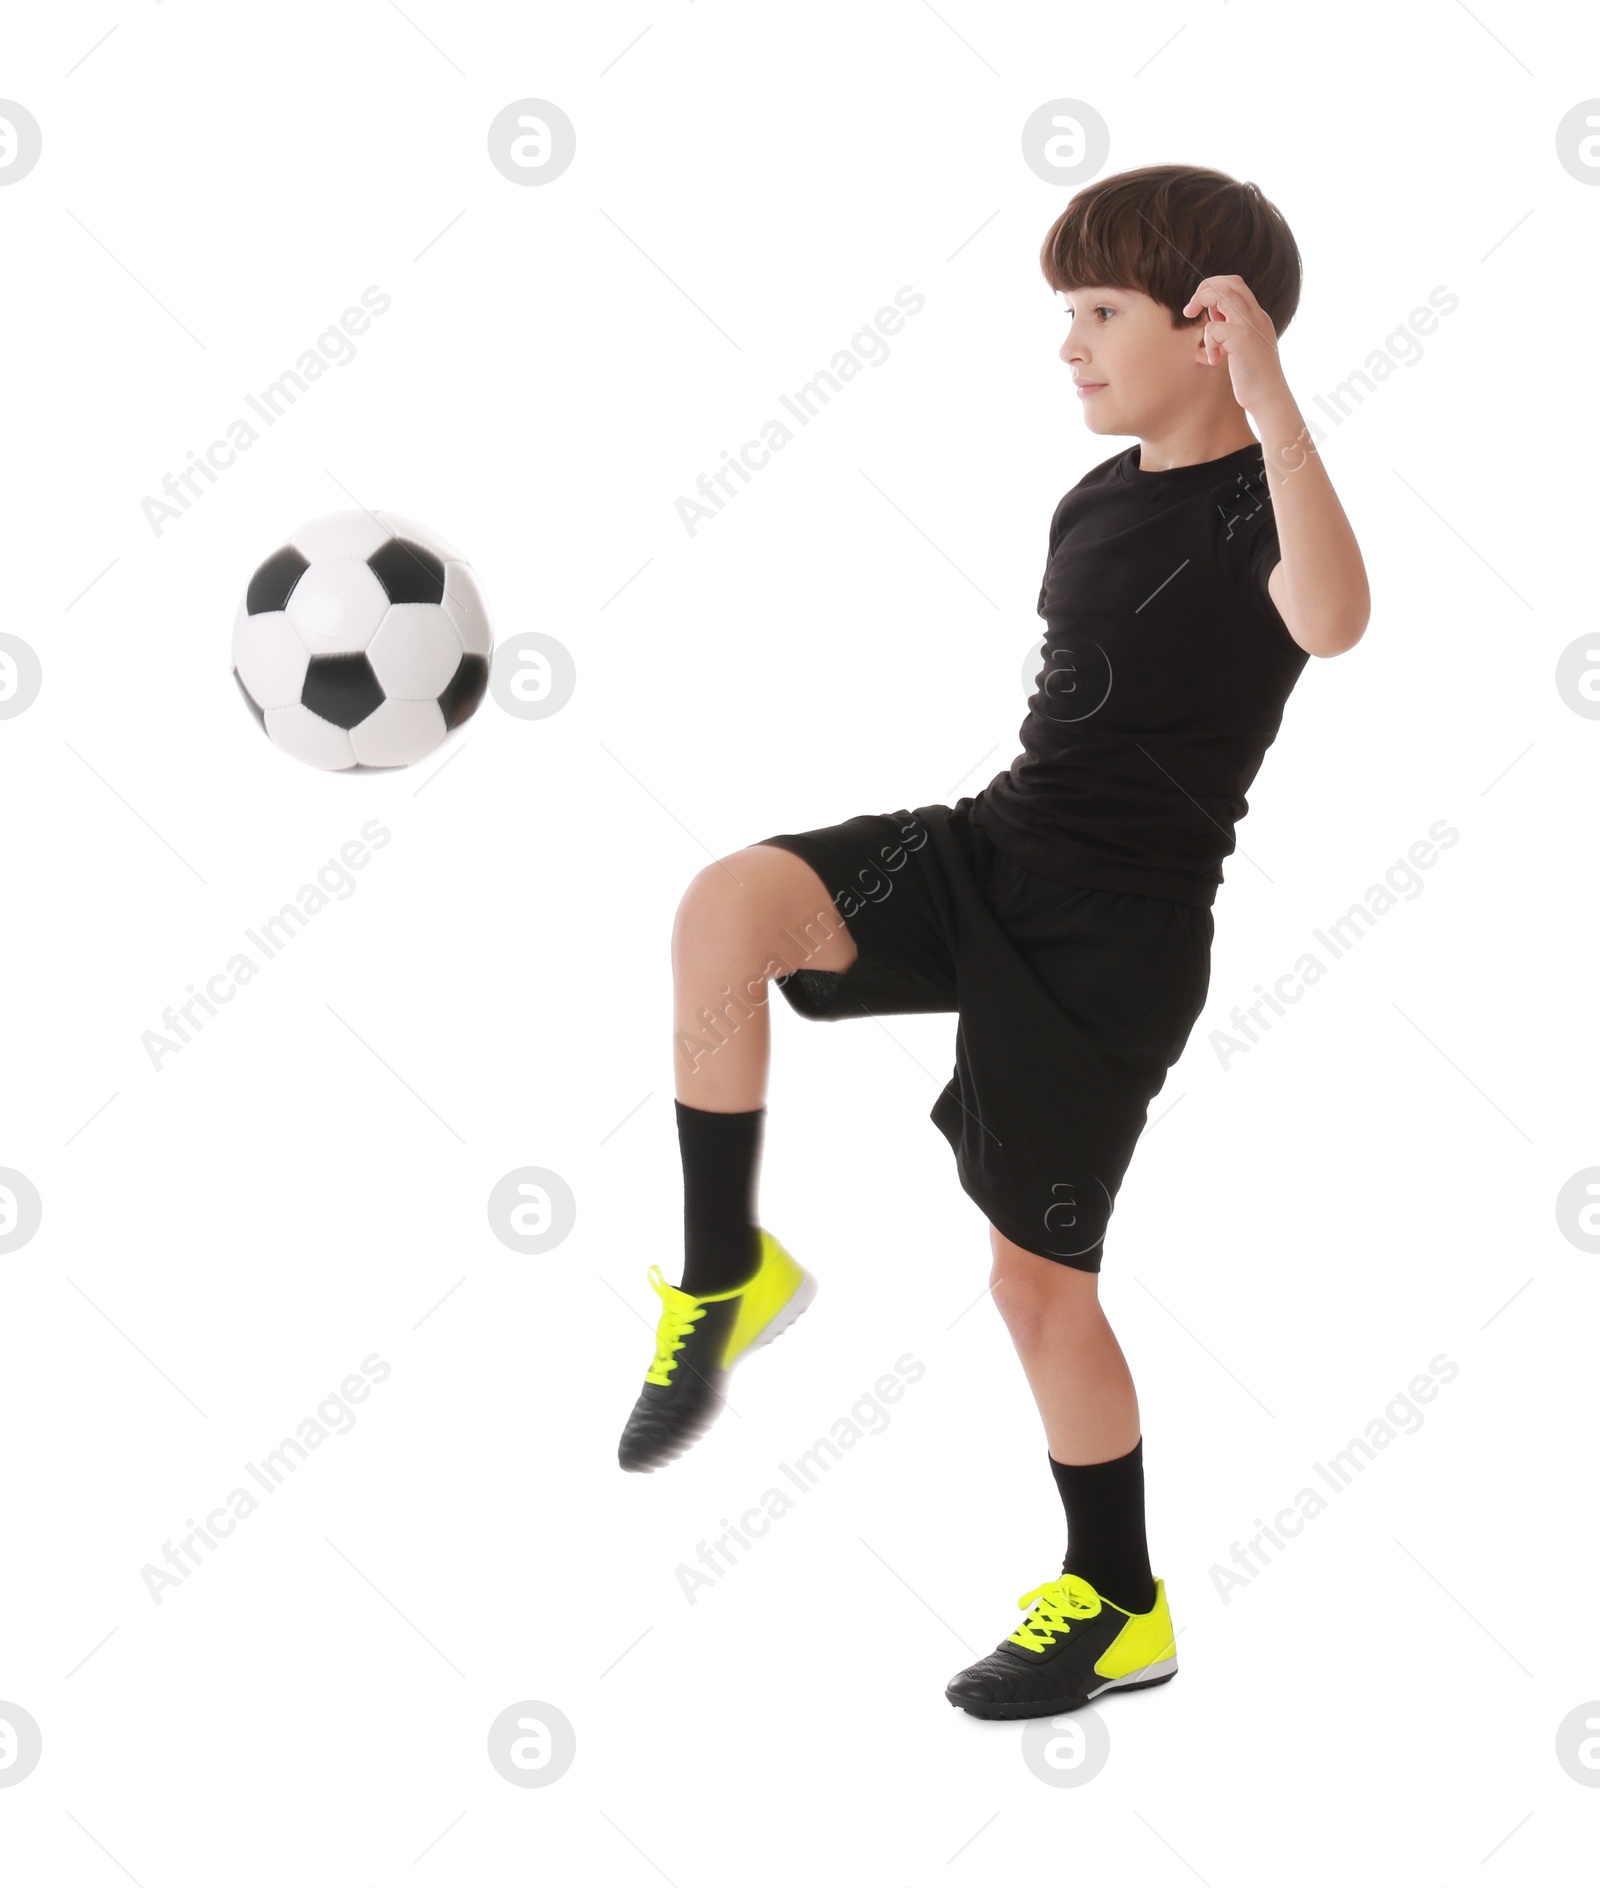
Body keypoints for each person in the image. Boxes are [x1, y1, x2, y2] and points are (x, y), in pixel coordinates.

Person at [617, 162, 1369, 1720]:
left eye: (1099, 313)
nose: (1071, 345)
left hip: (1117, 940)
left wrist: (1275, 391)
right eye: (1067, 314)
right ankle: (724, 1268)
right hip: (995, 853)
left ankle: (1118, 1601)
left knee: (1037, 1291)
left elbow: (1336, 617)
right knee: (727, 908)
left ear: (1212, 325)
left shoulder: (1262, 503)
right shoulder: (1095, 498)